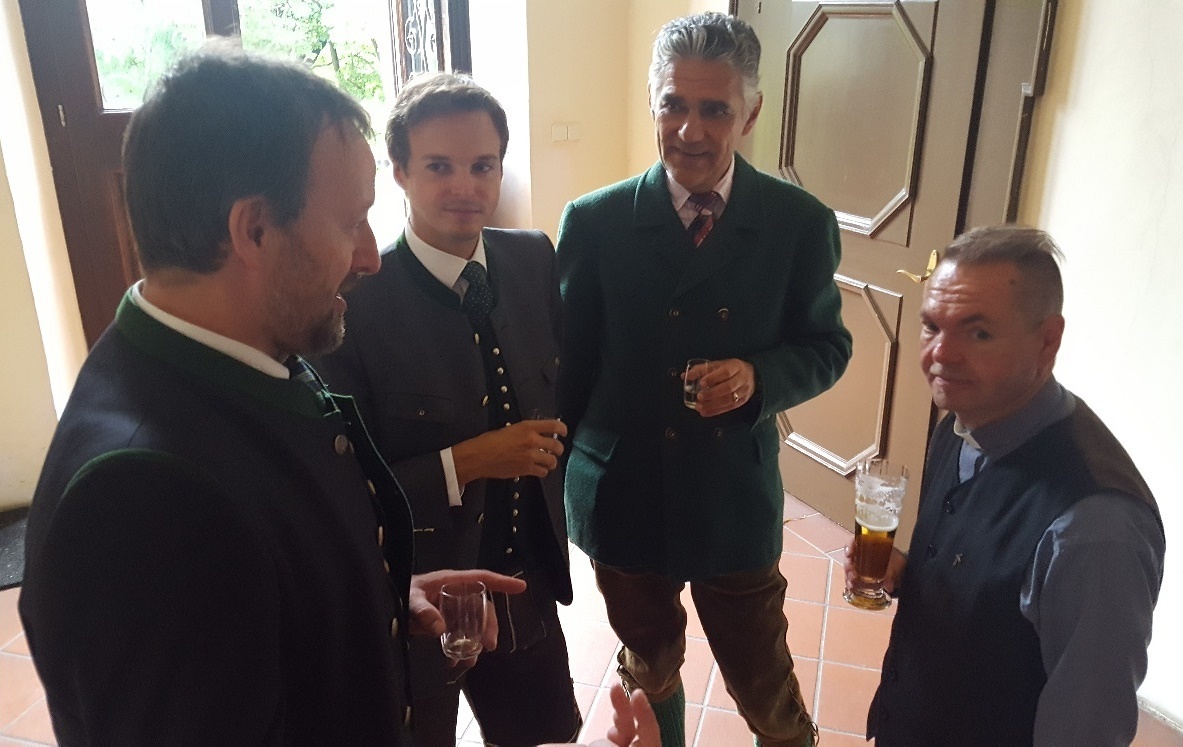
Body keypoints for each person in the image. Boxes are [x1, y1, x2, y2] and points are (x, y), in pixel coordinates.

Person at [16, 44, 529, 745]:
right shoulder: (142, 501)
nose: (369, 256)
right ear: (254, 229)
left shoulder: (250, 349)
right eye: (351, 222)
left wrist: (370, 596)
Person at [556, 11, 852, 747]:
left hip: (732, 499)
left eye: (714, 109)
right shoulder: (594, 222)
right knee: (649, 666)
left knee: (765, 687)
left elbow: (827, 345)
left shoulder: (797, 223)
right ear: (651, 103)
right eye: (673, 105)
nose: (689, 130)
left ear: (749, 112)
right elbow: (568, 369)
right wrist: (550, 494)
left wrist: (758, 376)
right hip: (624, 495)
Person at [315, 72, 581, 746]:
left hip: (527, 582)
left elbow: (564, 389)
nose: (465, 186)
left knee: (539, 736)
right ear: (399, 171)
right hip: (419, 595)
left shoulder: (532, 258)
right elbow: (342, 490)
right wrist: (466, 461)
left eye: (482, 165)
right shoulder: (355, 299)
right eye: (439, 166)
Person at [853, 226, 1165, 746]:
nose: (941, 354)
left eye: (978, 333)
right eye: (932, 326)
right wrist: (913, 575)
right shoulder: (960, 424)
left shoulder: (1093, 528)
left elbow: (1085, 733)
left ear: (1047, 342)